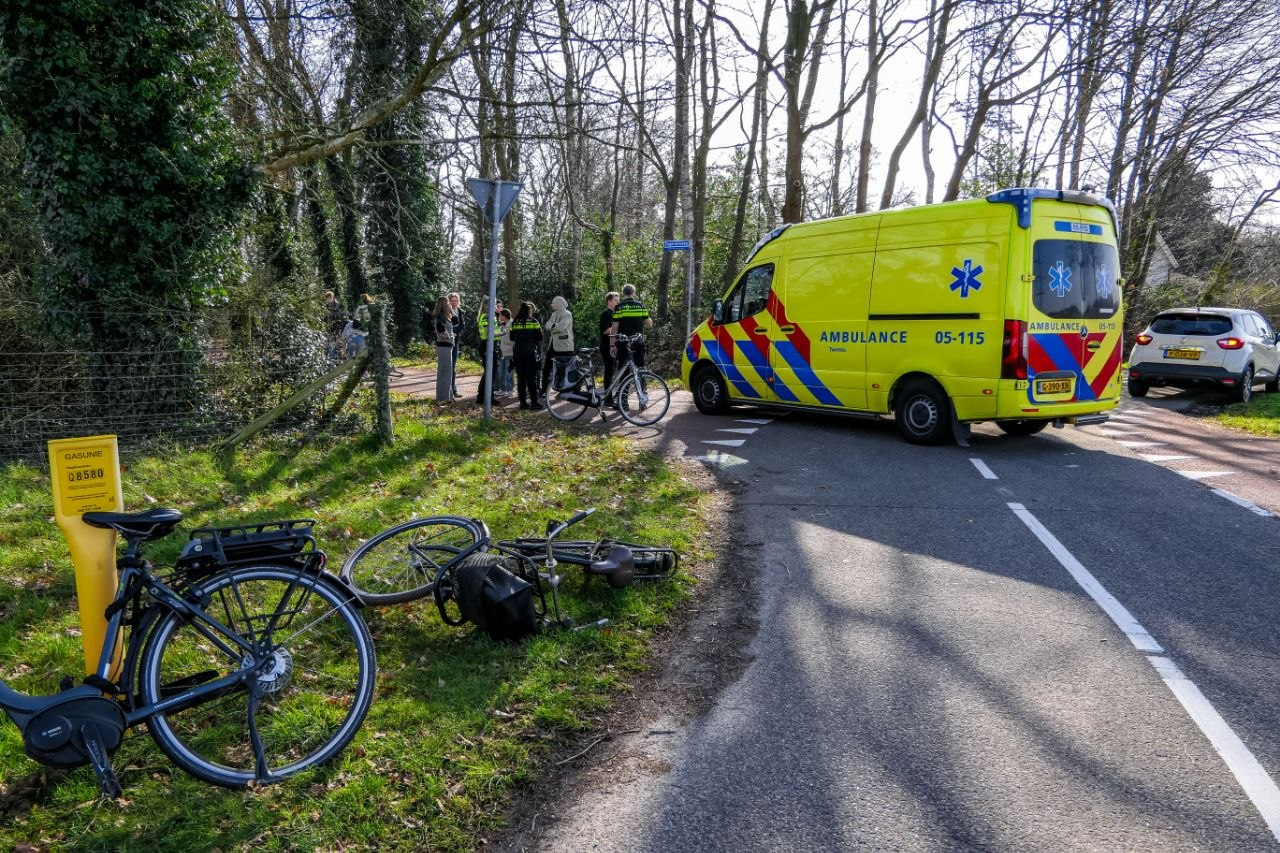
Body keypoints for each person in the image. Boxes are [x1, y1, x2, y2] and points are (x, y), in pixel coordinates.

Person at [609, 284, 653, 370]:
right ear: (633, 293)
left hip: (623, 342)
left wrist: (612, 346)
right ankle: (641, 383)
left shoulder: (619, 307)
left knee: (623, 368)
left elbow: (614, 329)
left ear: (623, 293)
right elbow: (649, 324)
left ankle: (624, 383)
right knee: (640, 368)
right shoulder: (640, 305)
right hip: (638, 341)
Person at [509, 301, 543, 410]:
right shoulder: (534, 321)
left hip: (517, 352)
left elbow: (512, 338)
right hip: (530, 352)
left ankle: (522, 403)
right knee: (531, 379)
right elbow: (540, 337)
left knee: (521, 379)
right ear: (529, 311)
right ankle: (534, 403)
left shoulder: (514, 322)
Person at [541, 295, 575, 396]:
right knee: (546, 368)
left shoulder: (567, 314)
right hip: (553, 345)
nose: (551, 305)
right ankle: (543, 391)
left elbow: (561, 327)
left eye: (553, 303)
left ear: (559, 304)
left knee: (564, 369)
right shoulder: (554, 314)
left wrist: (552, 326)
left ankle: (565, 390)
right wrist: (554, 326)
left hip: (565, 346)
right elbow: (547, 325)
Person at [431, 296, 456, 401]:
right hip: (444, 346)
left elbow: (456, 321)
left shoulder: (445, 316)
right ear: (444, 305)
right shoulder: (440, 316)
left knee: (446, 371)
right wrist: (448, 336)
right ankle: (443, 398)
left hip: (446, 346)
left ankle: (448, 396)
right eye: (448, 304)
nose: (450, 305)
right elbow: (440, 328)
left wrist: (451, 311)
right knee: (445, 372)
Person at [599, 291, 620, 390]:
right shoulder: (606, 314)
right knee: (609, 371)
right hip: (606, 346)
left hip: (615, 346)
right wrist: (618, 329)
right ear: (609, 301)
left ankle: (613, 394)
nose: (618, 303)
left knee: (614, 371)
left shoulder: (617, 314)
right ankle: (608, 398)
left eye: (618, 300)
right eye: (615, 300)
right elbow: (605, 330)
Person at [447, 292, 464, 397]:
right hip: (447, 341)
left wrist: (454, 331)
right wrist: (451, 331)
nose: (454, 302)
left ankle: (453, 389)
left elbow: (463, 325)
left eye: (456, 300)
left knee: (453, 366)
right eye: (452, 300)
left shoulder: (460, 311)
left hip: (456, 341)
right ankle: (448, 390)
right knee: (448, 366)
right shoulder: (445, 311)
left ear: (458, 302)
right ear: (448, 301)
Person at [496, 308, 515, 396]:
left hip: (510, 352)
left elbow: (504, 333)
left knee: (509, 372)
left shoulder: (512, 324)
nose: (499, 316)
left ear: (504, 316)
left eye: (500, 315)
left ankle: (510, 389)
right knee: (501, 371)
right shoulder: (503, 324)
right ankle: (502, 389)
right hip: (502, 352)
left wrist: (494, 333)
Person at [350, 293, 374, 357]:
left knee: (357, 350)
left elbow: (356, 319)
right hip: (368, 328)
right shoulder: (371, 306)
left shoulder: (360, 306)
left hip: (360, 330)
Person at [324, 291, 346, 359]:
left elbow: (339, 317)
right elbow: (324, 319)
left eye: (329, 298)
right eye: (327, 298)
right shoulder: (326, 307)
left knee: (337, 345)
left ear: (332, 298)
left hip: (337, 329)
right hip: (329, 329)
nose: (328, 300)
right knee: (329, 346)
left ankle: (337, 359)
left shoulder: (337, 306)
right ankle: (331, 359)